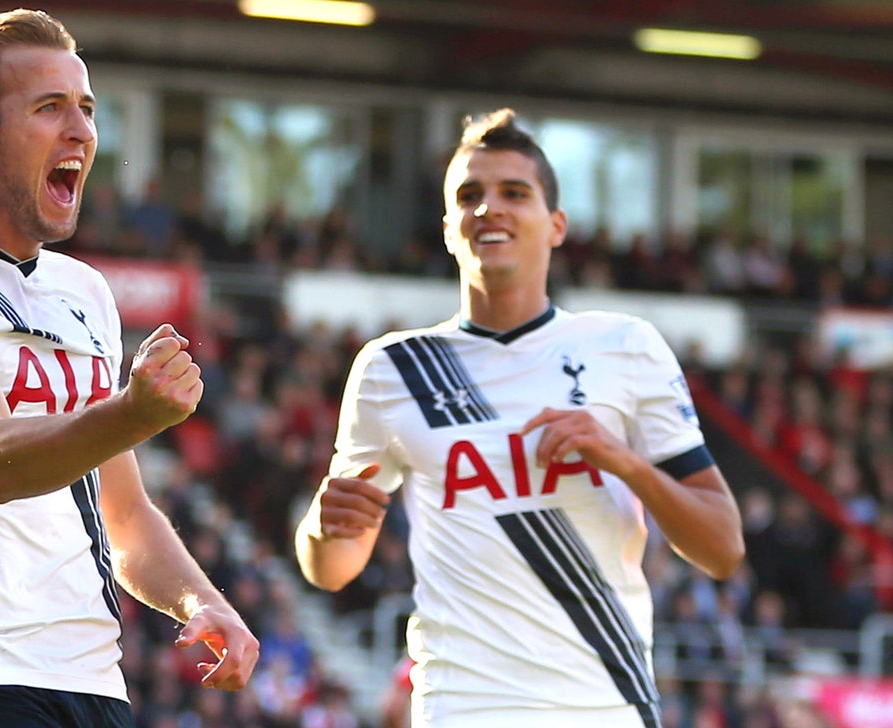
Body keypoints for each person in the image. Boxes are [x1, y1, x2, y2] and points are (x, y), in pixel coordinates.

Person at [0, 10, 258, 727]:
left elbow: (123, 513)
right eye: (49, 108)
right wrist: (130, 413)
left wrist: (203, 600)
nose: (82, 132)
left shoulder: (85, 291)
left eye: (87, 109)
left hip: (96, 687)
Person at [294, 108, 743, 727]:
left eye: (514, 193)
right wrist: (322, 527)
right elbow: (332, 568)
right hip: (460, 708)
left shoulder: (626, 346)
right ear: (449, 228)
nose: (489, 209)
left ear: (556, 224)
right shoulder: (393, 367)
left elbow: (722, 549)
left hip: (605, 706)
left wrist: (622, 460)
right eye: (469, 196)